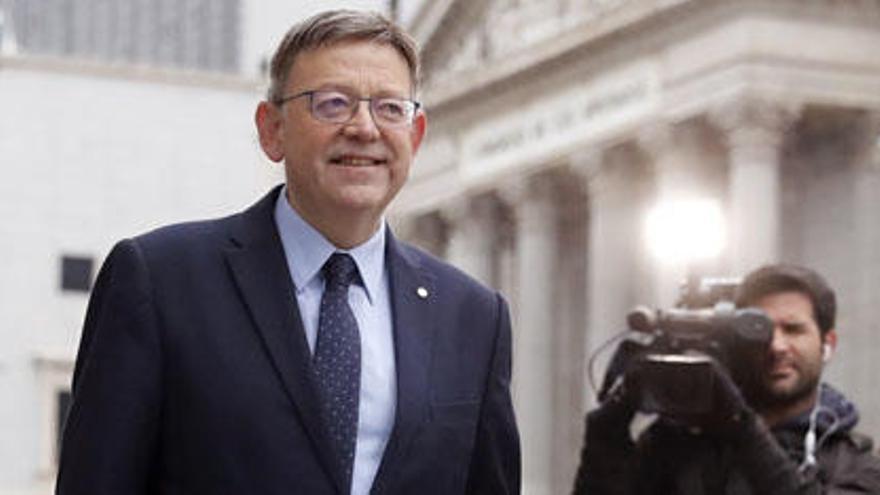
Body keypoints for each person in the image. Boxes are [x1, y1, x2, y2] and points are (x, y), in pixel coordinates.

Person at [56, 10, 520, 495]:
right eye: (333, 104)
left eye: (389, 108)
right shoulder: (160, 281)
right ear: (271, 129)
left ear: (416, 135)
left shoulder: (473, 317)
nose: (364, 128)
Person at [572, 263, 880, 494]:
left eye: (794, 330)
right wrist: (606, 435)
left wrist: (739, 424)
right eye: (761, 331)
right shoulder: (676, 447)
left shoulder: (855, 464)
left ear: (828, 343)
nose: (777, 346)